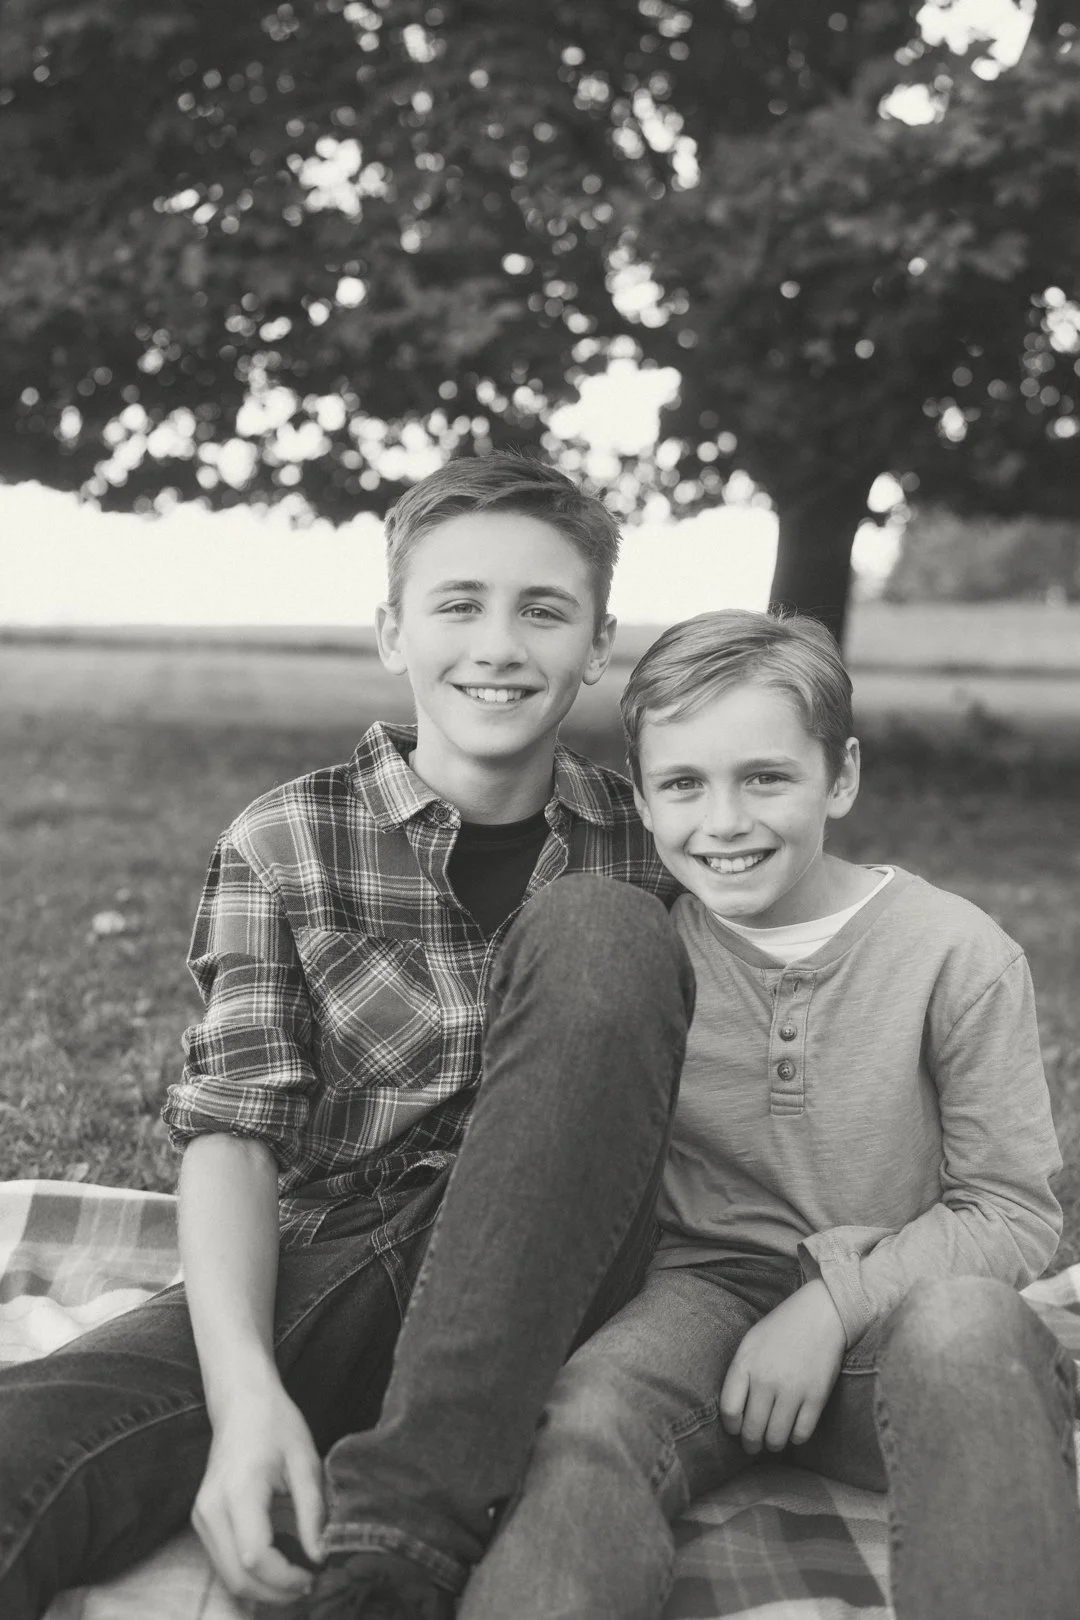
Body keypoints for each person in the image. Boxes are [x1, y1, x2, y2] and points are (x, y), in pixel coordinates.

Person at [0, 454, 696, 1620]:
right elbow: (233, 1133)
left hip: (564, 1269)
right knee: (30, 1446)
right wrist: (245, 1395)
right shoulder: (286, 839)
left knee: (603, 932)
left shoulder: (655, 842)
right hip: (334, 1270)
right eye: (458, 604)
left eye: (544, 609)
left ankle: (394, 1546)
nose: (500, 644)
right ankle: (372, 1447)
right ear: (392, 632)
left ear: (599, 643)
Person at [455, 609, 1080, 1620]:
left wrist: (829, 1307)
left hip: (898, 1322)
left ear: (840, 778)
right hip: (695, 1304)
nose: (725, 822)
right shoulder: (643, 954)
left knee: (974, 1331)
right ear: (645, 801)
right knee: (591, 1411)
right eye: (684, 785)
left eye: (766, 779)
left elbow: (1011, 1212)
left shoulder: (957, 955)